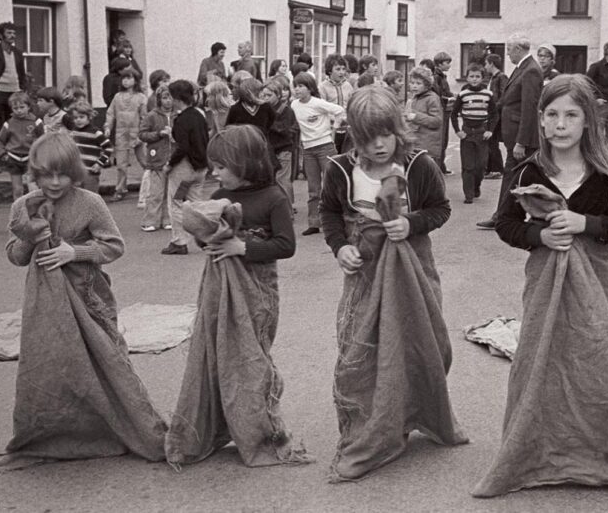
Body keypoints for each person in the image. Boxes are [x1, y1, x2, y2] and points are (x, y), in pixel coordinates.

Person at [473, 75, 608, 501]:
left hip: (597, 286)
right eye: (552, 115)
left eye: (571, 115)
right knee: (539, 364)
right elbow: (506, 225)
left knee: (604, 365)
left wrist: (588, 224)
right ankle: (526, 456)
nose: (561, 124)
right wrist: (539, 236)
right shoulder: (527, 170)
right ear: (541, 122)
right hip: (545, 283)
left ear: (588, 123)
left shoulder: (606, 174)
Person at [319, 85, 466, 481]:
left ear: (398, 129)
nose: (378, 145)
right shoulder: (339, 168)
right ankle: (369, 429)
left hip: (413, 270)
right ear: (354, 134)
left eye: (385, 135)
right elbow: (329, 213)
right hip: (364, 276)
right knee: (359, 353)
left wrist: (411, 222)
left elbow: (441, 208)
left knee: (422, 345)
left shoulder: (419, 165)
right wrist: (339, 248)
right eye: (367, 138)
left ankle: (413, 412)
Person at [0, 132, 166, 470]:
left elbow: (114, 246)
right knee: (51, 364)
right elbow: (15, 256)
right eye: (47, 175)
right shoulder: (24, 205)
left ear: (75, 171)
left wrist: (73, 251)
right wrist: (32, 235)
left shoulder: (90, 202)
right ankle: (59, 434)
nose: (55, 182)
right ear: (35, 172)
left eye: (62, 174)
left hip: (89, 296)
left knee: (107, 359)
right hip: (44, 302)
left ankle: (121, 426)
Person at [165, 125, 309, 468]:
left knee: (253, 360)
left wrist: (240, 246)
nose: (215, 172)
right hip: (218, 291)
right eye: (214, 166)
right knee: (219, 357)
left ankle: (261, 431)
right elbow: (205, 242)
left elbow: (285, 246)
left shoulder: (275, 197)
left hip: (259, 293)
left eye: (222, 167)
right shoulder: (218, 197)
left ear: (245, 163)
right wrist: (204, 233)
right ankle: (220, 425)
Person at [477, 35, 543, 229]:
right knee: (517, 175)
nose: (507, 53)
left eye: (509, 49)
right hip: (514, 135)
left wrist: (521, 142)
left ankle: (504, 216)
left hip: (520, 138)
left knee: (519, 175)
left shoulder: (530, 70)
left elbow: (529, 107)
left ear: (518, 49)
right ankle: (504, 215)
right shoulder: (524, 68)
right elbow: (509, 100)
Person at [291, 72, 345, 236]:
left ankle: (341, 219)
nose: (297, 89)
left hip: (325, 146)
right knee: (313, 188)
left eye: (301, 86)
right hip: (308, 149)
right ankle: (314, 222)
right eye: (296, 86)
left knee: (332, 184)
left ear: (310, 88)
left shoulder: (318, 103)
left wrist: (334, 128)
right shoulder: (294, 105)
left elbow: (340, 110)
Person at [162, 80, 210, 255]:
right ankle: (205, 236)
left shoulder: (182, 120)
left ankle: (179, 241)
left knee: (176, 202)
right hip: (200, 167)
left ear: (177, 98)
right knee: (196, 204)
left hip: (185, 170)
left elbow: (183, 147)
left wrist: (169, 165)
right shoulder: (199, 114)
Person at [451, 63, 497, 204]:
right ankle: (469, 194)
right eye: (471, 76)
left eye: (477, 76)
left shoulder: (488, 94)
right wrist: (458, 131)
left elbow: (494, 114)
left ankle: (476, 185)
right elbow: (453, 114)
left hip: (481, 133)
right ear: (467, 78)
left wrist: (490, 130)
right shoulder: (463, 94)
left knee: (481, 165)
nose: (474, 79)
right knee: (468, 166)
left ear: (483, 78)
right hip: (467, 133)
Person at [106, 70, 147, 202]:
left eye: (129, 78)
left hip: (137, 133)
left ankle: (153, 185)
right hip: (121, 133)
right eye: (123, 78)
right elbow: (110, 113)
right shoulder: (117, 97)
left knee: (145, 161)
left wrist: (142, 133)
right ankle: (120, 190)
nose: (125, 81)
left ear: (136, 80)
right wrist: (107, 126)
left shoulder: (141, 97)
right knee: (121, 164)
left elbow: (144, 117)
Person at [137, 85, 174, 232]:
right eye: (165, 98)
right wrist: (159, 134)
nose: (168, 101)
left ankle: (167, 219)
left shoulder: (178, 114)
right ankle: (150, 220)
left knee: (170, 193)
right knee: (156, 193)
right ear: (159, 99)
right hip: (157, 158)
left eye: (170, 97)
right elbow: (142, 134)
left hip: (173, 158)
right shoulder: (152, 115)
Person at [0, 91, 42, 201]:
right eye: (15, 108)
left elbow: (44, 139)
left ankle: (35, 212)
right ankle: (18, 212)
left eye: (22, 107)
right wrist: (3, 154)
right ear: (11, 109)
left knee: (33, 187)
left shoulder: (36, 122)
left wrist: (39, 155)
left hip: (30, 158)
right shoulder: (9, 123)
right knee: (17, 189)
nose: (19, 111)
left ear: (28, 106)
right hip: (13, 158)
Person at [260, 77, 299, 205]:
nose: (265, 98)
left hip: (283, 149)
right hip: (267, 150)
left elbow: (286, 129)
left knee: (282, 181)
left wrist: (269, 123)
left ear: (277, 95)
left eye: (269, 95)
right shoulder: (262, 109)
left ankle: (287, 209)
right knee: (269, 182)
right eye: (263, 95)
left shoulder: (286, 110)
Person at [64, 100, 112, 193]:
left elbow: (108, 148)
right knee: (76, 197)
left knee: (91, 196)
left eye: (81, 117)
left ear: (89, 117)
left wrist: (99, 163)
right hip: (76, 172)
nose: (78, 120)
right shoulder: (73, 133)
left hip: (91, 172)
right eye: (75, 118)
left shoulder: (96, 133)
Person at [405, 66, 444, 166]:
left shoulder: (432, 98)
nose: (414, 86)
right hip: (414, 145)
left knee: (426, 179)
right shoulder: (413, 98)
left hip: (428, 148)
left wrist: (415, 117)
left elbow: (437, 121)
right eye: (412, 83)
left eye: (418, 83)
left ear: (427, 85)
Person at [320, 54, 355, 153]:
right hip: (330, 130)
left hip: (346, 130)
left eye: (344, 69)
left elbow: (351, 105)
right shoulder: (323, 87)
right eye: (338, 69)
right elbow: (322, 109)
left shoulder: (348, 86)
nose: (342, 72)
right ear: (330, 70)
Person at [484, 53, 507, 178]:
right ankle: (490, 168)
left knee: (492, 141)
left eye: (486, 64)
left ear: (491, 64)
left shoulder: (501, 77)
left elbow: (504, 96)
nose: (485, 66)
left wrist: (494, 108)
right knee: (490, 141)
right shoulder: (493, 78)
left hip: (496, 114)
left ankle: (497, 169)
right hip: (491, 113)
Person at [433, 52, 455, 174]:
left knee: (444, 140)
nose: (449, 65)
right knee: (442, 140)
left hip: (445, 111)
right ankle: (439, 166)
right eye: (447, 63)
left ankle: (441, 165)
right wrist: (449, 98)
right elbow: (439, 94)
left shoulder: (442, 76)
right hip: (442, 111)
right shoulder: (437, 77)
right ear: (440, 64)